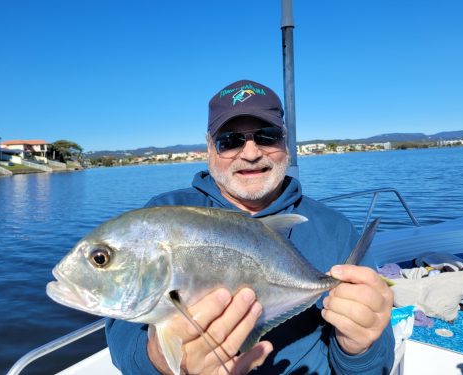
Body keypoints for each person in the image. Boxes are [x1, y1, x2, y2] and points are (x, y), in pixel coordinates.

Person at [105, 79, 395, 374]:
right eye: (230, 140)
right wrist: (161, 361)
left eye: (267, 136)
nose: (251, 153)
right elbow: (124, 342)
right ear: (209, 147)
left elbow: (377, 364)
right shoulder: (163, 216)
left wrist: (359, 348)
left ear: (285, 143)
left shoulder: (334, 229)